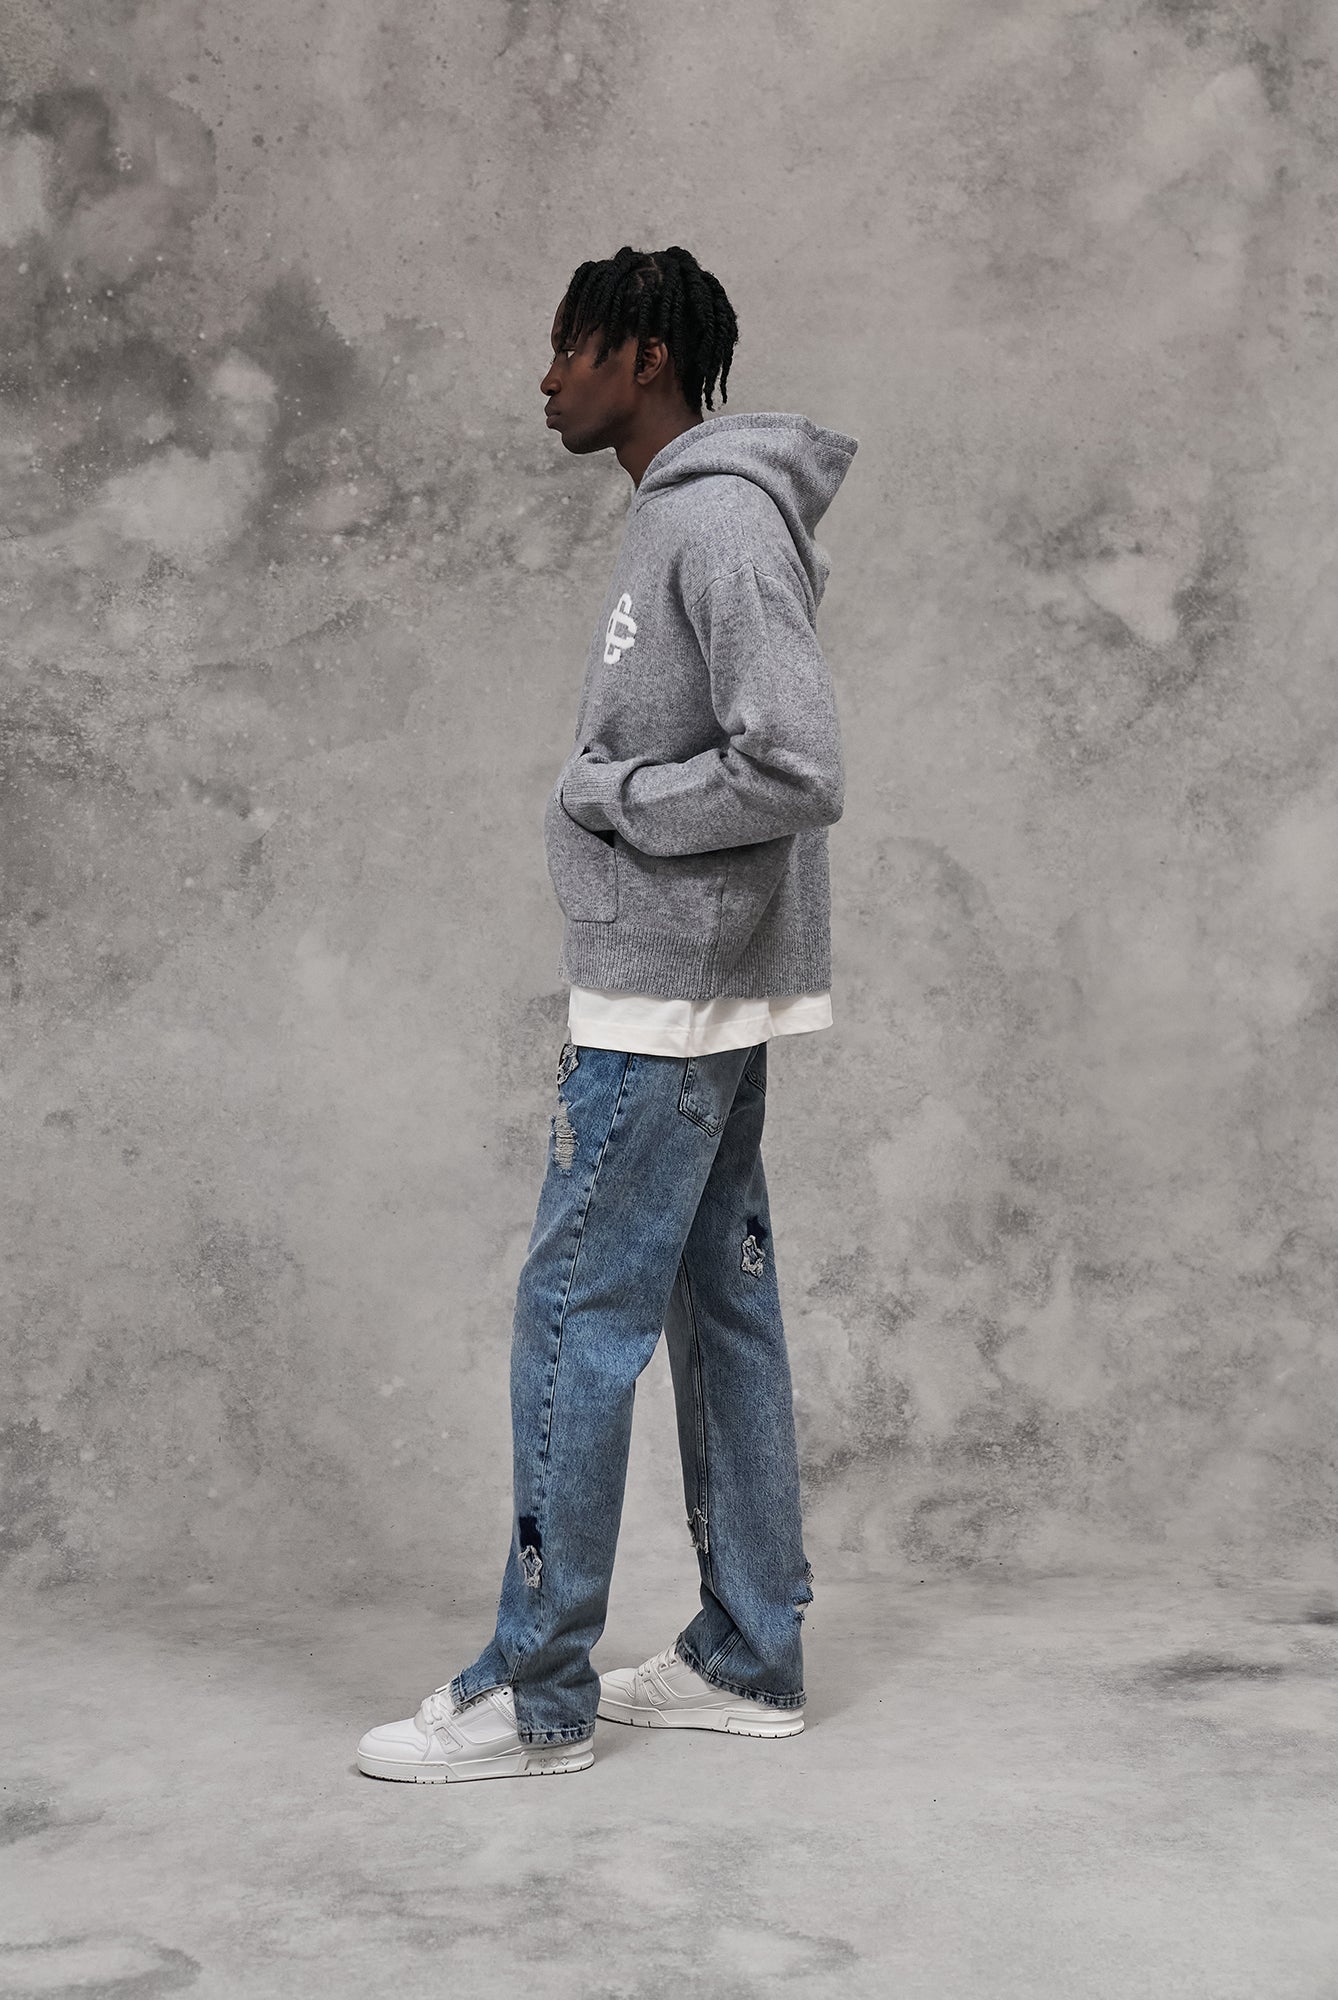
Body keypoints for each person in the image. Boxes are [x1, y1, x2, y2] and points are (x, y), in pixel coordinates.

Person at [357, 244, 857, 1783]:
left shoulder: (715, 520)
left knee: (573, 1317)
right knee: (718, 1311)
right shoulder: (688, 516)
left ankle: (537, 1694)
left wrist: (613, 798)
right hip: (695, 981)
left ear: (643, 357)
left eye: (571, 347)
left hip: (668, 996)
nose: (547, 375)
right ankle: (745, 1657)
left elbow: (795, 765)